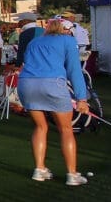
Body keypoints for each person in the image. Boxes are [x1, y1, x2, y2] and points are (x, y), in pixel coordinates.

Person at [17, 18, 91, 186]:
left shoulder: (35, 41)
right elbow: (74, 70)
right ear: (66, 30)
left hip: (26, 85)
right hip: (53, 85)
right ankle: (72, 174)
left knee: (40, 127)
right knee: (66, 129)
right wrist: (81, 99)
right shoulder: (68, 40)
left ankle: (40, 169)